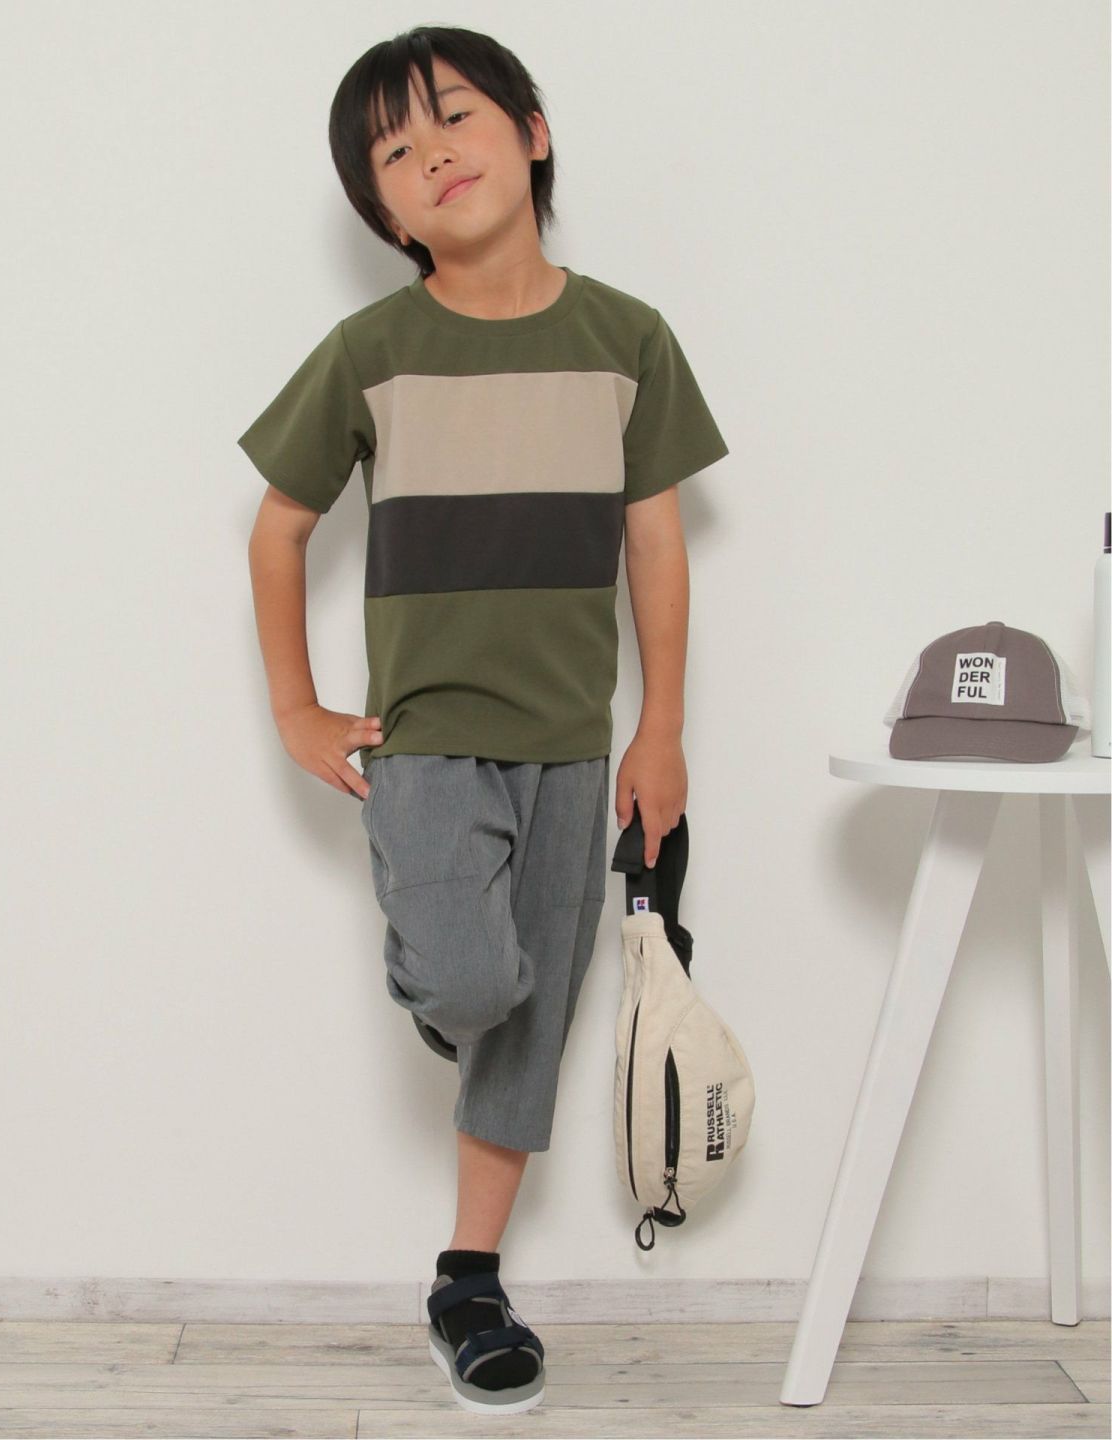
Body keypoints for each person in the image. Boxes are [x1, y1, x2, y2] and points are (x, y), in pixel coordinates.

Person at [238, 24, 728, 1414]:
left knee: (533, 1023)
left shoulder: (629, 337)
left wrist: (661, 732)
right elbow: (277, 532)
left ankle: (469, 1278)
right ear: (386, 214)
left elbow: (657, 550)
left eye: (455, 116)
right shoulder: (371, 350)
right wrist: (294, 707)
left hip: (574, 741)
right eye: (396, 150)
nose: (434, 153)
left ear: (533, 133)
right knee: (473, 987)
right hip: (425, 737)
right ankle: (454, 1004)